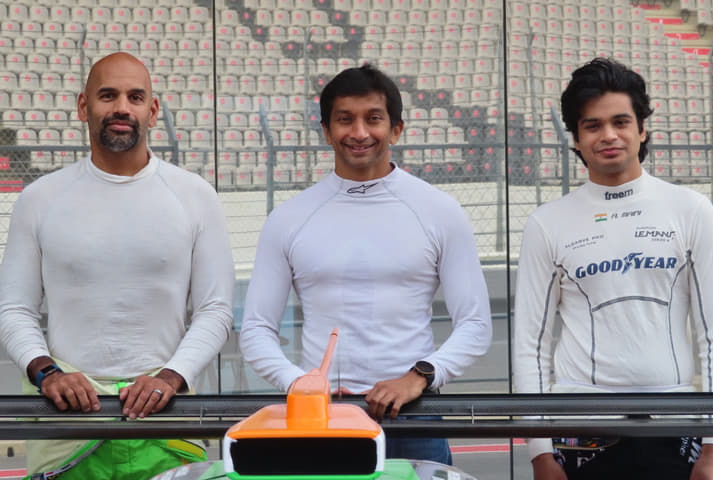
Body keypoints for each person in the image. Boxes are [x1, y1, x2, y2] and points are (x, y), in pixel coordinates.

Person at [239, 64, 492, 465]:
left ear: (396, 129)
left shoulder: (440, 211)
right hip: (321, 420)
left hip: (415, 417)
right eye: (345, 120)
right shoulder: (288, 218)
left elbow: (476, 324)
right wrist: (300, 384)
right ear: (326, 131)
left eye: (373, 118)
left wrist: (419, 377)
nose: (359, 133)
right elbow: (255, 328)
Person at [0, 52, 235, 478]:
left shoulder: (196, 196)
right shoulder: (40, 199)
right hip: (67, 428)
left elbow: (216, 309)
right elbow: (14, 309)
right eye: (108, 95)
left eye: (135, 97)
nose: (122, 107)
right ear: (83, 106)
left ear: (153, 110)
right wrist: (47, 373)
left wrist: (171, 377)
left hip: (164, 425)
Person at [513, 57, 713, 480]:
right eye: (592, 125)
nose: (608, 135)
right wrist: (540, 454)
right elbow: (530, 346)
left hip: (673, 422)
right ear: (576, 139)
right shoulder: (546, 223)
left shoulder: (691, 210)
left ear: (642, 129)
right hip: (580, 428)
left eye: (621, 122)